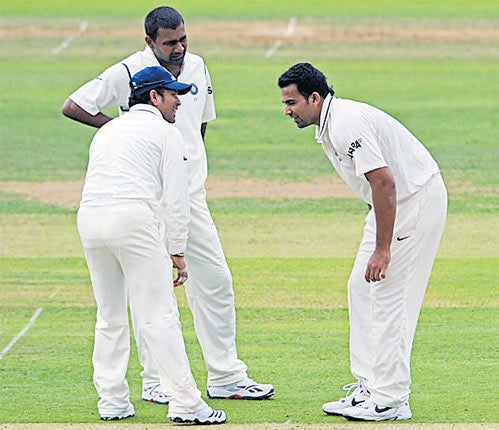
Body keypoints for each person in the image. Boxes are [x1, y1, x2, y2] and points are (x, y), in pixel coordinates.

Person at [63, 6, 273, 403]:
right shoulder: (129, 71)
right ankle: (155, 381)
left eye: (183, 39)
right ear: (149, 42)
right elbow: (74, 105)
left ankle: (226, 376)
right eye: (169, 42)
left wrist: (182, 162)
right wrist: (126, 132)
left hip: (189, 192)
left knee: (215, 281)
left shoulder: (198, 66)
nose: (179, 49)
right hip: (145, 200)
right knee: (153, 291)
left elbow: (201, 122)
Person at [278, 62, 447, 421]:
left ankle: (391, 399)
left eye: (291, 103)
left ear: (314, 97)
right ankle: (369, 386)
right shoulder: (330, 124)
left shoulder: (344, 124)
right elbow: (379, 189)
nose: (287, 111)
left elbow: (385, 182)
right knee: (360, 287)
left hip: (413, 199)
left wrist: (383, 249)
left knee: (387, 297)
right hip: (389, 204)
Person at [77, 66, 226, 424]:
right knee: (159, 316)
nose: (179, 101)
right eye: (173, 94)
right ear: (154, 97)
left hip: (90, 219)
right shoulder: (165, 132)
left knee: (109, 315)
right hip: (133, 218)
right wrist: (177, 250)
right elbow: (176, 200)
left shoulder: (109, 129)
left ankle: (112, 402)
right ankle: (187, 404)